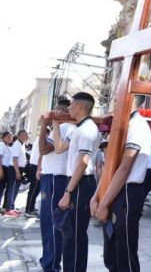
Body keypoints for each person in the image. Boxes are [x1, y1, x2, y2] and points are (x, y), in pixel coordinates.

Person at [90, 95, 151, 272]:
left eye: (118, 97)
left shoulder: (137, 126)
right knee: (111, 251)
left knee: (124, 251)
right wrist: (97, 196)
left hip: (127, 192)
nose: (114, 101)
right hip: (113, 189)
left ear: (131, 99)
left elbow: (124, 168)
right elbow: (111, 166)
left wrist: (104, 202)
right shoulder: (121, 126)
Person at [53, 92, 101, 272]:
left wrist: (68, 193)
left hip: (81, 183)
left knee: (75, 235)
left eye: (71, 105)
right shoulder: (77, 129)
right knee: (69, 234)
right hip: (74, 181)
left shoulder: (88, 129)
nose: (69, 108)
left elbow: (83, 163)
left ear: (80, 106)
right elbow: (58, 148)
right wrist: (55, 123)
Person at [38, 97, 76, 272]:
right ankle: (48, 258)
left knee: (52, 223)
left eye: (57, 110)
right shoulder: (58, 127)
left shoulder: (66, 127)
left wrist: (45, 126)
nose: (53, 112)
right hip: (50, 177)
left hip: (56, 178)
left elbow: (44, 149)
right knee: (46, 222)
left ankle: (52, 264)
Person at [4, 129, 28, 217]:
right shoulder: (17, 145)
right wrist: (17, 172)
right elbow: (15, 159)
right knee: (12, 189)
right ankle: (8, 209)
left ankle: (12, 207)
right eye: (25, 135)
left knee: (15, 189)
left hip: (19, 169)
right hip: (14, 169)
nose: (27, 136)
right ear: (20, 135)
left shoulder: (22, 144)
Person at [24, 136, 41, 217]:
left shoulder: (38, 139)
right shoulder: (42, 139)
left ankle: (31, 207)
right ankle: (29, 209)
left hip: (35, 166)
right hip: (36, 167)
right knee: (34, 190)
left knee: (35, 190)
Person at [0, 131, 12, 214]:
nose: (10, 138)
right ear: (3, 137)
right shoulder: (1, 145)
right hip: (2, 168)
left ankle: (3, 208)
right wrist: (1, 171)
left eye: (11, 137)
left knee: (3, 188)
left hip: (7, 169)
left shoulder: (7, 146)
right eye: (8, 136)